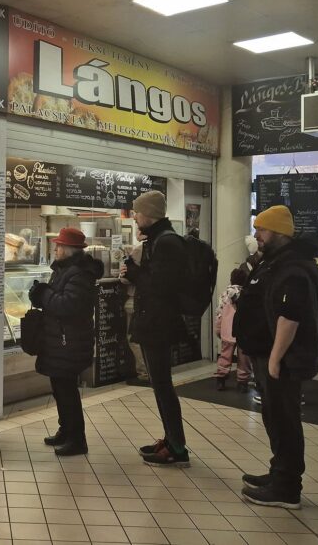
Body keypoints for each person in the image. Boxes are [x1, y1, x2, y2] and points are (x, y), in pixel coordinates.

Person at [233, 205, 318, 510]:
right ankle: (279, 472)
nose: (257, 235)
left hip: (282, 358)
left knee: (284, 419)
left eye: (262, 230)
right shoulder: (274, 262)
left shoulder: (293, 268)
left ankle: (287, 487)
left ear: (279, 233)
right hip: (267, 353)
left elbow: (290, 316)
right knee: (274, 416)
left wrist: (275, 358)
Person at [122, 190, 191, 467]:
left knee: (162, 386)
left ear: (148, 213)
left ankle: (177, 448)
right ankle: (171, 440)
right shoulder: (159, 240)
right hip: (155, 322)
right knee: (160, 385)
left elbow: (161, 286)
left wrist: (134, 272)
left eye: (137, 212)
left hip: (159, 324)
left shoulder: (166, 242)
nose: (134, 217)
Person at [29, 228, 101, 457]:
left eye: (59, 246)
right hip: (60, 340)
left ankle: (77, 439)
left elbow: (67, 305)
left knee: (67, 391)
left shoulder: (80, 274)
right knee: (60, 389)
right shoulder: (64, 270)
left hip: (69, 341)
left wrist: (43, 294)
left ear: (70, 249)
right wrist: (42, 294)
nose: (56, 249)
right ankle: (66, 430)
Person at [118, 234, 149, 384]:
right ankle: (152, 371)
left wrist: (122, 272)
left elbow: (125, 278)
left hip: (135, 300)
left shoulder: (139, 250)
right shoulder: (159, 249)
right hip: (150, 301)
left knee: (134, 339)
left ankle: (144, 373)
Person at [215, 268, 251, 392]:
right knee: (244, 358)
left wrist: (218, 328)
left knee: (225, 355)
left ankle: (221, 379)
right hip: (243, 330)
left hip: (227, 330)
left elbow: (219, 312)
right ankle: (242, 382)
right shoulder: (247, 294)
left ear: (231, 279)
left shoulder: (224, 294)